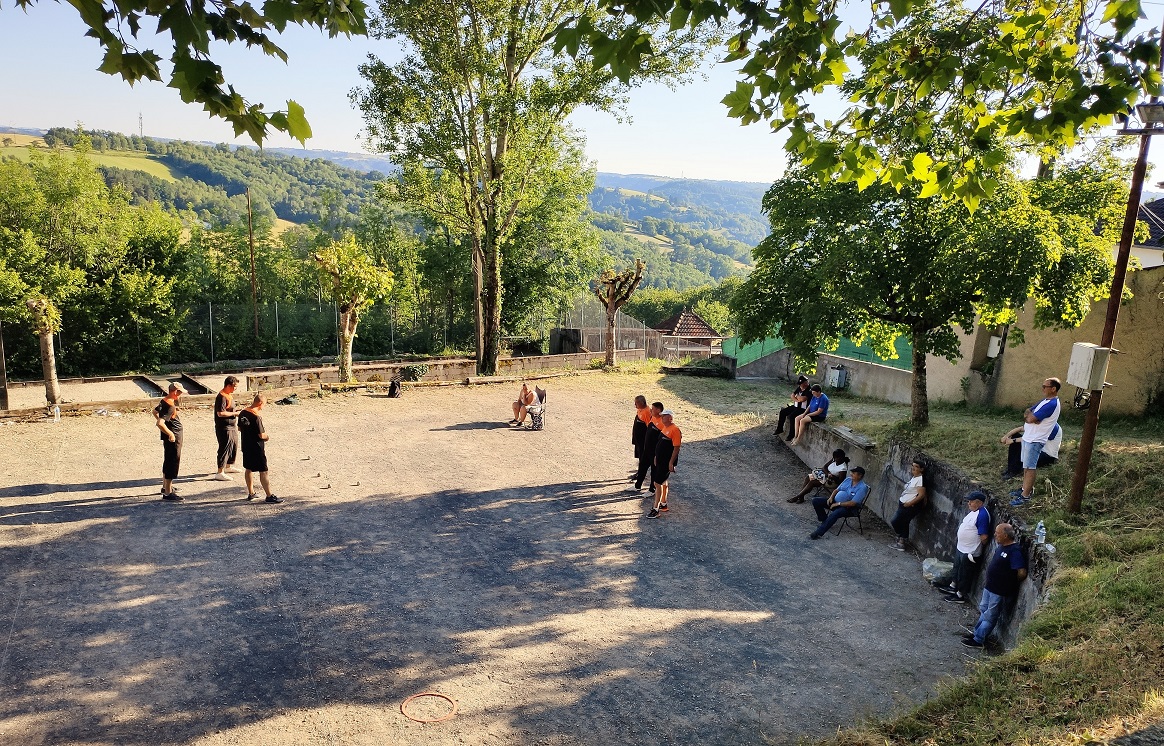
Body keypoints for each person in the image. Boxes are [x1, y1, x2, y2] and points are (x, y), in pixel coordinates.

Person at [962, 523, 1027, 649]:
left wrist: (1009, 581)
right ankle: (977, 633)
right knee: (984, 610)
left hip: (1000, 590)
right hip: (990, 586)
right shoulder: (1001, 547)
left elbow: (1021, 572)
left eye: (997, 533)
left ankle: (979, 640)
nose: (995, 535)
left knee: (990, 615)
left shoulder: (1015, 551)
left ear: (1005, 535)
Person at [1009, 377, 1062, 507]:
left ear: (1053, 389)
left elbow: (1031, 418)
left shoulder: (1052, 404)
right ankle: (1024, 489)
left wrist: (1032, 418)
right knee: (1026, 466)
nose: (1042, 388)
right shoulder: (1045, 401)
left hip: (1035, 440)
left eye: (1045, 386)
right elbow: (1028, 412)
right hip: (1029, 438)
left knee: (1030, 467)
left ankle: (1025, 496)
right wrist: (1031, 417)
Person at [937, 491, 991, 604]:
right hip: (961, 548)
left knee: (965, 574)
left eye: (971, 501)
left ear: (979, 503)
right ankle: (953, 586)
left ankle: (960, 595)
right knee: (957, 569)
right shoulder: (974, 511)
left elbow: (984, 537)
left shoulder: (982, 515)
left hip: (970, 552)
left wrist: (976, 546)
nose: (969, 503)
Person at [237, 393, 283, 504]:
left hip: (246, 445)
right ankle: (269, 495)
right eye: (264, 405)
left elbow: (239, 428)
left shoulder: (243, 412)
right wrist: (267, 437)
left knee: (248, 468)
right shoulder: (256, 417)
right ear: (260, 403)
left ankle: (251, 493)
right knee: (263, 471)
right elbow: (261, 435)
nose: (263, 407)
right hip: (257, 447)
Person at [808, 466, 869, 539]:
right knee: (816, 501)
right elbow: (836, 490)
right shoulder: (848, 480)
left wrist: (838, 504)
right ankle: (824, 520)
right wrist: (831, 497)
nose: (851, 474)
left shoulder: (862, 487)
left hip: (849, 508)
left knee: (836, 513)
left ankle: (818, 533)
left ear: (860, 476)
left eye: (854, 473)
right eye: (851, 472)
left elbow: (853, 503)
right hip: (836, 502)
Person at [154, 382, 187, 502]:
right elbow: (160, 423)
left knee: (168, 460)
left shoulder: (165, 400)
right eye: (180, 392)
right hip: (174, 436)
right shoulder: (170, 405)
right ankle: (168, 492)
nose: (181, 395)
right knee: (172, 462)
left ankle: (165, 487)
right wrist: (170, 433)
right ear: (175, 392)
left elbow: (155, 411)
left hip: (172, 435)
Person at [646, 409, 681, 518]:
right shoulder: (665, 427)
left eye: (664, 416)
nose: (662, 418)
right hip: (660, 460)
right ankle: (663, 504)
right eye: (662, 416)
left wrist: (671, 463)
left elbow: (676, 448)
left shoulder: (675, 430)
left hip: (666, 462)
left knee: (657, 483)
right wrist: (656, 456)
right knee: (663, 481)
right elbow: (660, 444)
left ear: (670, 418)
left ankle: (656, 509)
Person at [889, 459, 928, 551]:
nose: (913, 468)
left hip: (909, 506)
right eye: (913, 466)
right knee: (904, 522)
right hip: (904, 503)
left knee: (895, 521)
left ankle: (901, 538)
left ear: (922, 469)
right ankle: (901, 542)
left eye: (916, 467)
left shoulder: (920, 479)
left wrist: (909, 503)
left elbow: (921, 495)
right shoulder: (915, 478)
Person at [628, 401, 664, 494]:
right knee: (642, 467)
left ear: (659, 410)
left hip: (654, 452)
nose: (650, 410)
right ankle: (637, 486)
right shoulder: (653, 418)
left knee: (654, 470)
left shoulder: (662, 423)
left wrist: (657, 453)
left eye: (653, 409)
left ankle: (652, 489)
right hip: (646, 449)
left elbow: (661, 440)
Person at [212, 375, 242, 481]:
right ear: (229, 385)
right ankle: (220, 472)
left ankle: (228, 466)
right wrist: (235, 413)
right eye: (235, 387)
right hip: (224, 427)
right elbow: (220, 413)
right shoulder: (222, 396)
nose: (236, 389)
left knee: (233, 445)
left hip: (231, 425)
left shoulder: (228, 395)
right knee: (224, 447)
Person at [775, 375, 811, 440]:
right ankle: (779, 429)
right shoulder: (799, 388)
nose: (800, 386)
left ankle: (791, 434)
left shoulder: (809, 390)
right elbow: (792, 395)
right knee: (783, 412)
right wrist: (797, 399)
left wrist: (796, 397)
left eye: (802, 384)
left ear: (806, 383)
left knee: (792, 416)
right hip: (795, 406)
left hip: (803, 409)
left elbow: (803, 399)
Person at [631, 395, 651, 462]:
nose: (635, 404)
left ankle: (641, 469)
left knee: (642, 453)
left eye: (636, 403)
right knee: (639, 452)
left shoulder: (647, 412)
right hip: (638, 438)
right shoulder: (640, 409)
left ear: (642, 403)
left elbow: (649, 426)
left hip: (642, 438)